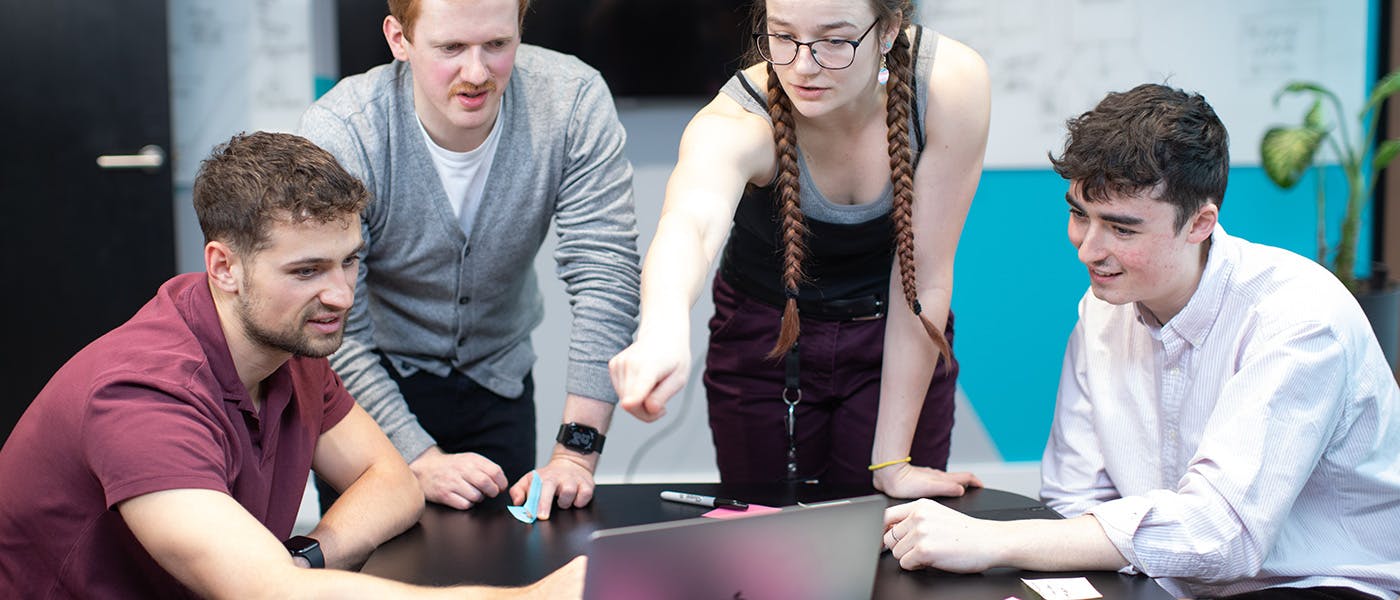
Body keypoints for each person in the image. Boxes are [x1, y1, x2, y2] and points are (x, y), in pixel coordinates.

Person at [0, 132, 584, 598]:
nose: (342, 295)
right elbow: (267, 592)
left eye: (349, 261)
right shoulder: (142, 395)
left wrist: (307, 552)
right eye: (307, 271)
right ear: (224, 267)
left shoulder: (286, 341)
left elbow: (392, 482)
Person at [882, 84, 1400, 600]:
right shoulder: (1102, 311)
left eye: (1121, 230)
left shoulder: (1299, 318)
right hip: (1170, 578)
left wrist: (993, 541)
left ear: (1200, 223)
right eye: (1079, 214)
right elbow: (1073, 497)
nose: (1089, 250)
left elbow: (1223, 533)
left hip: (1321, 580)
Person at [607, 0, 986, 496]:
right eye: (783, 37)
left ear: (889, 28)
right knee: (768, 545)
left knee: (891, 538)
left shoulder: (946, 85)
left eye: (835, 41)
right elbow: (690, 223)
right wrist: (662, 329)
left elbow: (925, 276)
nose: (803, 67)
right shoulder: (738, 118)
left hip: (898, 330)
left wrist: (892, 461)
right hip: (766, 337)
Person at [298, 0, 640, 519]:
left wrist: (576, 453)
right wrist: (416, 456)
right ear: (399, 40)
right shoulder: (345, 131)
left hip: (498, 380)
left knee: (504, 575)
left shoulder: (570, 103)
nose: (477, 73)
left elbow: (605, 274)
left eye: (497, 45)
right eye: (451, 48)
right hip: (363, 388)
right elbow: (330, 318)